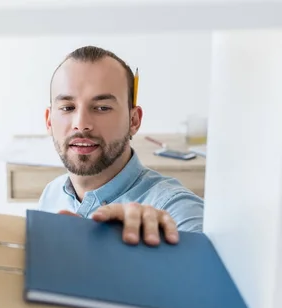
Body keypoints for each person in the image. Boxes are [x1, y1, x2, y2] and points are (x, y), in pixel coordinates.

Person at [38, 45, 204, 246]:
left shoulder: (177, 213)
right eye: (67, 108)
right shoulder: (51, 195)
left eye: (102, 108)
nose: (81, 124)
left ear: (133, 120)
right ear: (49, 121)